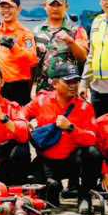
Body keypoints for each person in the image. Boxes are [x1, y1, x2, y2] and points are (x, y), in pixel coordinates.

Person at [25, 59, 99, 207]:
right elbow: (21, 113)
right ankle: (53, 188)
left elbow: (92, 138)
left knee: (93, 153)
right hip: (46, 160)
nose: (73, 86)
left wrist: (71, 128)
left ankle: (84, 197)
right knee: (47, 199)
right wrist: (25, 124)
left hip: (72, 162)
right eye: (68, 82)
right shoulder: (41, 101)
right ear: (55, 84)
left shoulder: (85, 107)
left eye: (76, 81)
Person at [32, 0, 89, 97]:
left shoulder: (76, 30)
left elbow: (83, 57)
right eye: (52, 5)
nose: (55, 8)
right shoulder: (37, 31)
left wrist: (70, 42)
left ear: (66, 7)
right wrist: (33, 86)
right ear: (45, 6)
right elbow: (34, 64)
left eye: (59, 5)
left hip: (68, 89)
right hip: (43, 90)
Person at [0, 0, 39, 105]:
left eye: (10, 7)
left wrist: (14, 47)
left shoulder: (26, 34)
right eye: (2, 7)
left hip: (19, 87)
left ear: (18, 9)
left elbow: (32, 59)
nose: (5, 11)